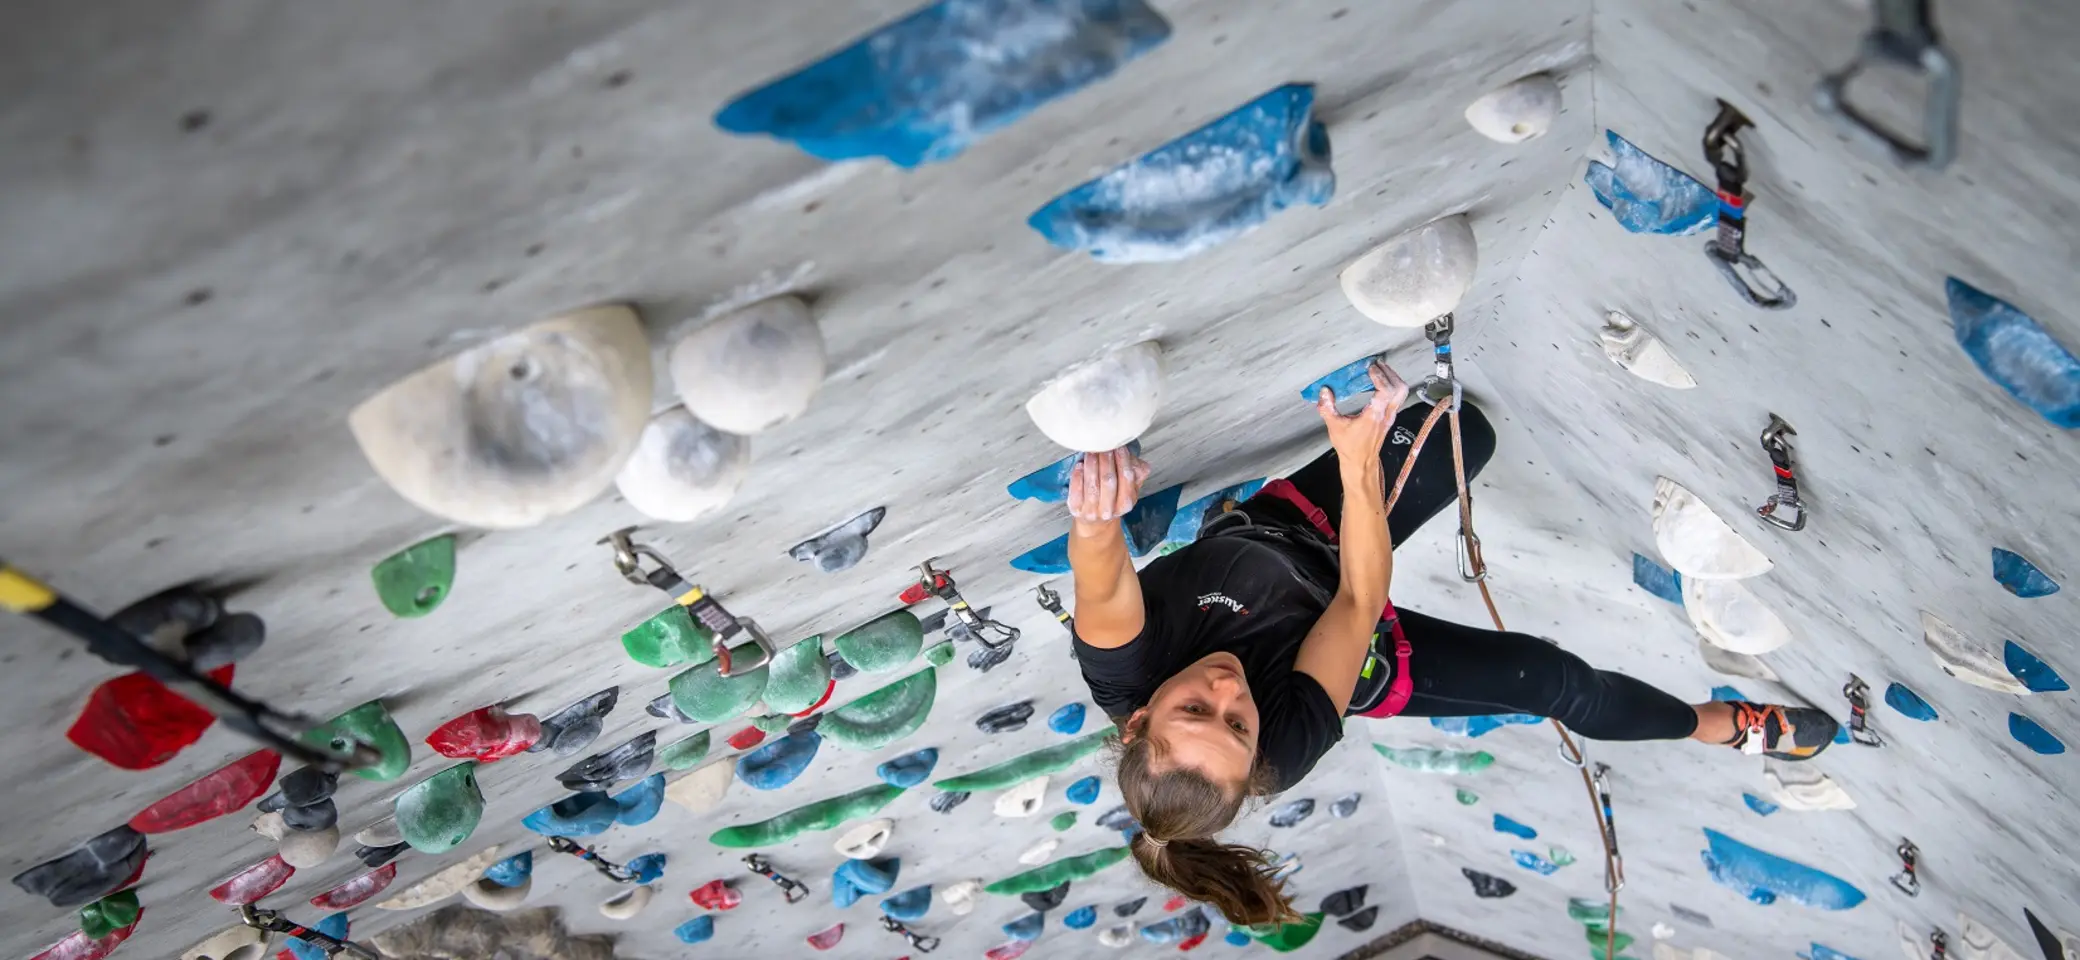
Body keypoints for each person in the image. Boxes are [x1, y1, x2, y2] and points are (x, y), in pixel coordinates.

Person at [1067, 358, 1838, 927]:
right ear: (1256, 753)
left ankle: (1230, 526)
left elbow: (1097, 561)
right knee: (1557, 681)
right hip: (1360, 641)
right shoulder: (1287, 746)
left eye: (1197, 707)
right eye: (1238, 724)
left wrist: (1098, 507)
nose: (1229, 691)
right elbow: (1361, 598)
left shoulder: (1123, 664)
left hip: (1283, 535)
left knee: (1466, 434)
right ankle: (1721, 727)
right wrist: (1359, 468)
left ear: (1138, 719)